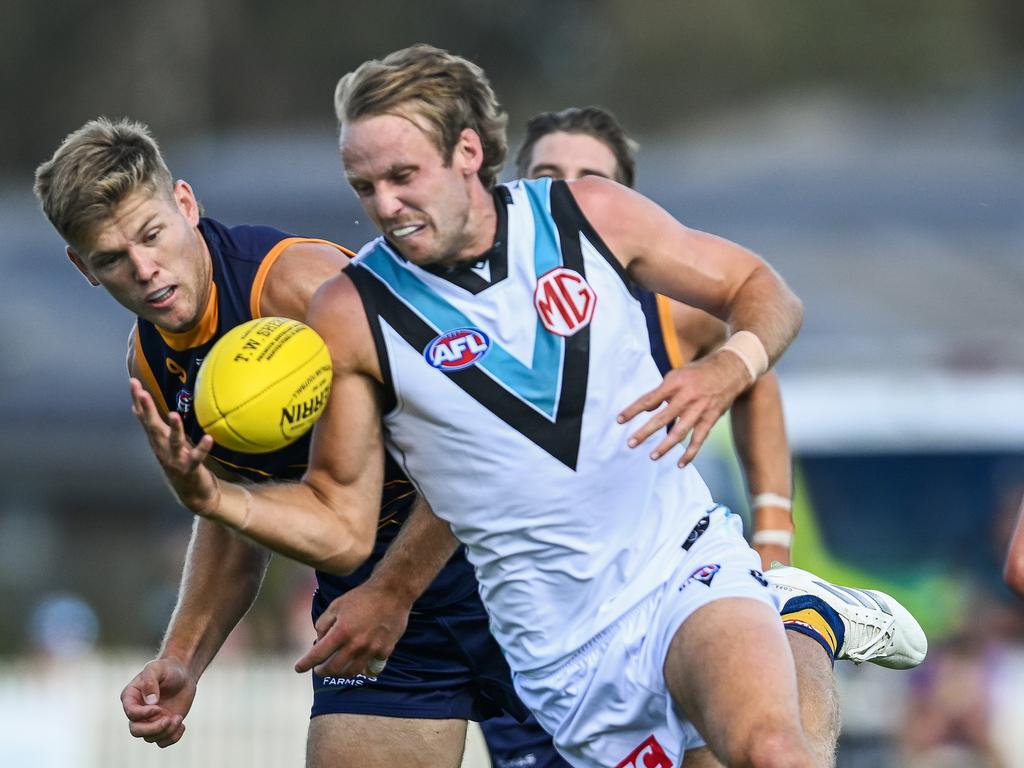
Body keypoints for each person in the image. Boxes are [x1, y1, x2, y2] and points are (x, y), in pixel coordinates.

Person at [128, 45, 926, 767]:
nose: (385, 205)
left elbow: (764, 292)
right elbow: (341, 529)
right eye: (363, 186)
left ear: (467, 151)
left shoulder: (589, 217)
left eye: (404, 177)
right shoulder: (352, 310)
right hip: (561, 650)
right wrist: (219, 499)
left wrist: (727, 371)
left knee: (771, 750)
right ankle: (804, 618)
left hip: (679, 565)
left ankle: (792, 612)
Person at [32, 117, 544, 768]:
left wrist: (395, 590)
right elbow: (241, 510)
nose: (145, 270)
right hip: (371, 607)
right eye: (112, 258)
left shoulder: (302, 286)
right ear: (83, 268)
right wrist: (183, 660)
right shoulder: (153, 370)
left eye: (152, 234)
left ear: (185, 204)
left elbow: (490, 428)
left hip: (519, 567)